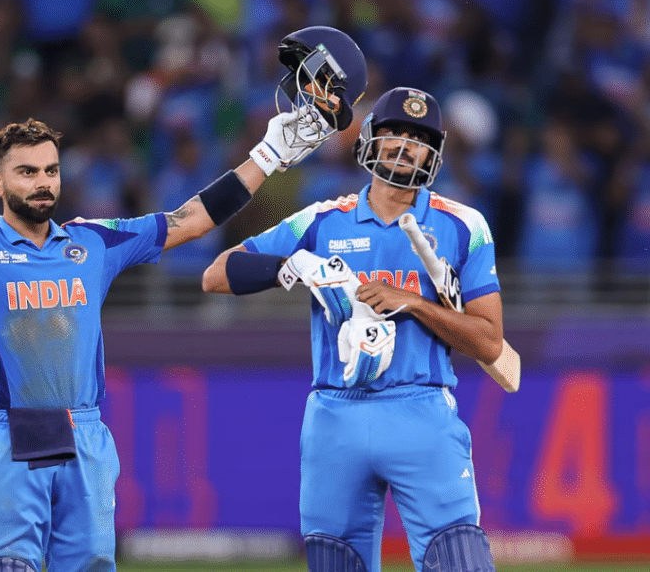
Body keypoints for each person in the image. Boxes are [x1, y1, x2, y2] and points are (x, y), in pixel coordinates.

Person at [0, 25, 367, 572]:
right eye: (27, 172)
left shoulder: (93, 243)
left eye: (50, 170)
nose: (42, 182)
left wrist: (266, 155)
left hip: (85, 431)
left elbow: (188, 222)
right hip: (9, 431)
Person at [203, 86, 502, 572]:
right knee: (336, 562)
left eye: (420, 137)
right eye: (395, 132)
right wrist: (293, 267)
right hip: (335, 415)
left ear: (436, 152)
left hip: (421, 410)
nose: (406, 145)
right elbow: (216, 274)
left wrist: (414, 303)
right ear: (370, 139)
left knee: (460, 560)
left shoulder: (464, 225)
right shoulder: (321, 220)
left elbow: (490, 341)